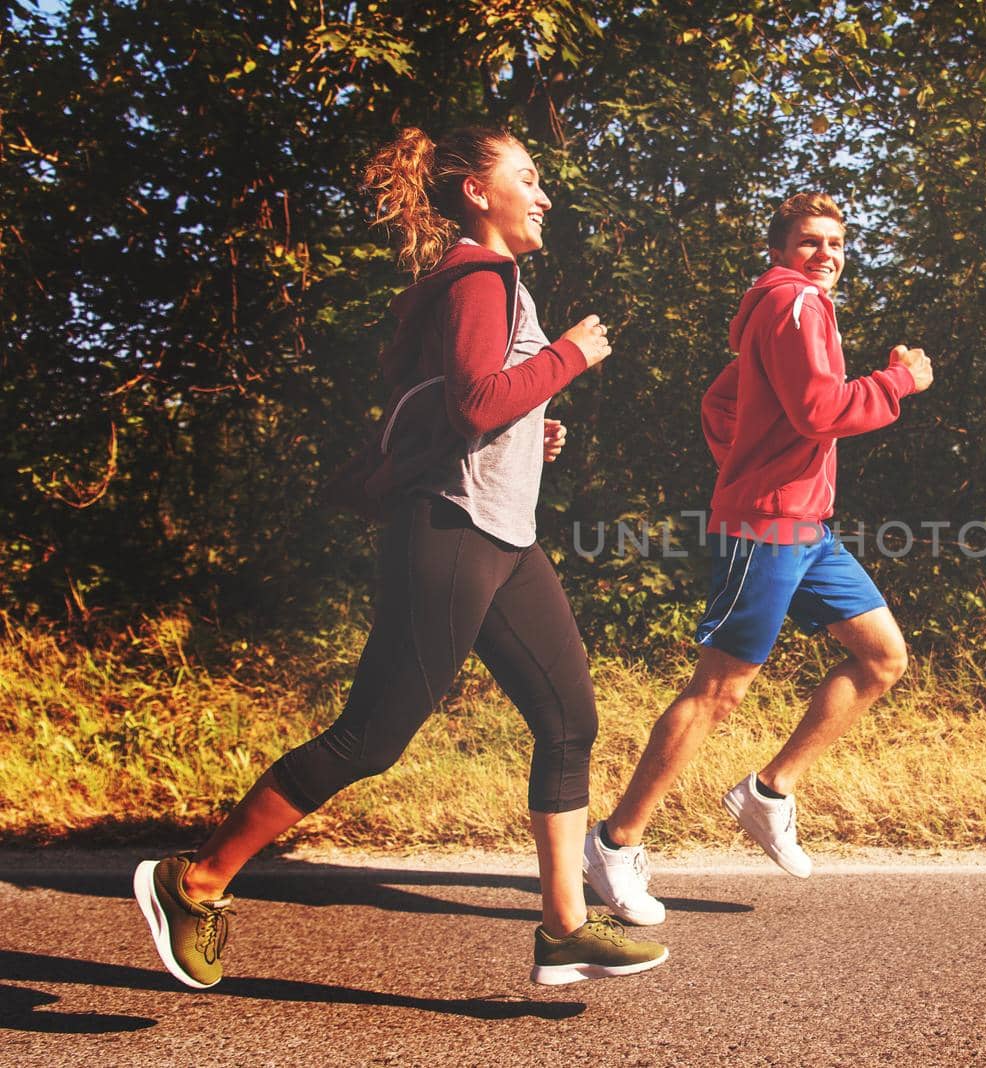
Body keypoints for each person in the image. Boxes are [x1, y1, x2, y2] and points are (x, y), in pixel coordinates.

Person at [133, 125, 667, 989]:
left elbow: (489, 406)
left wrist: (535, 430)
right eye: (526, 179)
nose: (543, 196)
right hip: (451, 530)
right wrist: (570, 356)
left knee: (569, 722)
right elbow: (472, 404)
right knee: (373, 736)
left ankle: (565, 928)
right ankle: (192, 882)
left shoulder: (496, 281)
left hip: (504, 531)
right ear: (476, 193)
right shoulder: (479, 277)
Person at [582, 192, 934, 924]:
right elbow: (819, 410)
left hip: (808, 526)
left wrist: (753, 462)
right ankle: (615, 844)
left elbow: (720, 408)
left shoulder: (778, 311)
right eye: (810, 241)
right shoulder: (798, 304)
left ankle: (768, 791)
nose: (826, 255)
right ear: (779, 249)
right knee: (719, 692)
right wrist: (900, 382)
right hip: (770, 528)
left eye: (836, 243)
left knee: (881, 657)